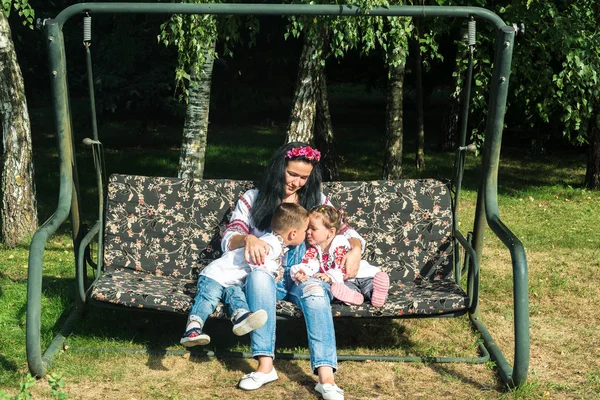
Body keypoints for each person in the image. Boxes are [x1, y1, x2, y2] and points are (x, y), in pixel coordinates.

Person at [221, 142, 364, 400]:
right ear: (279, 169)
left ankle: (326, 378)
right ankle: (265, 367)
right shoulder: (254, 199)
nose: (297, 182)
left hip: (304, 273)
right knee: (257, 277)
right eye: (292, 174)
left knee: (316, 293)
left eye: (304, 177)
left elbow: (346, 231)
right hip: (268, 274)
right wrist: (248, 240)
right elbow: (230, 236)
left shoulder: (317, 201)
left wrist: (355, 250)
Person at [180, 203, 309, 348]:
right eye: (305, 230)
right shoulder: (271, 244)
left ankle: (241, 316)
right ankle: (192, 329)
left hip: (232, 280)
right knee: (208, 298)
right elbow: (256, 261)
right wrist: (273, 271)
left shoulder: (273, 241)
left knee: (235, 295)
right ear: (293, 233)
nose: (307, 234)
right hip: (216, 275)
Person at [291, 205, 390, 308]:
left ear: (331, 232)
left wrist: (329, 276)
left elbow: (342, 266)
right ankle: (356, 297)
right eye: (307, 228)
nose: (308, 232)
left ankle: (377, 293)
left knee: (368, 286)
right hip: (345, 281)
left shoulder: (339, 242)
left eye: (313, 229)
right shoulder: (313, 249)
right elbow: (309, 263)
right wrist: (302, 272)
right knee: (343, 290)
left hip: (360, 275)